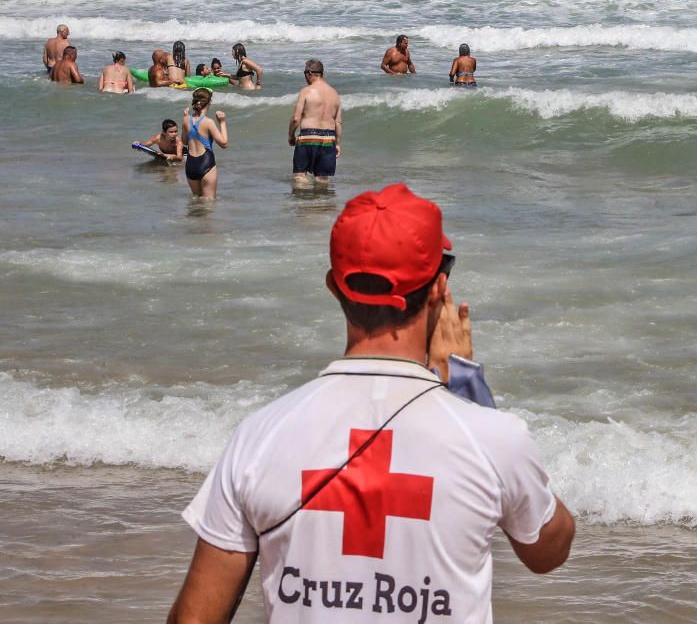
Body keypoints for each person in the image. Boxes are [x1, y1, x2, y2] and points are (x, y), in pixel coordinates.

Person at [167, 183, 575, 623]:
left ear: (332, 286)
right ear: (439, 287)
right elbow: (549, 550)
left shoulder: (260, 435)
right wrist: (470, 396)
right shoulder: (493, 438)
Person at [288, 60, 342, 191]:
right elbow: (338, 122)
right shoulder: (335, 94)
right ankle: (321, 207)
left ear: (309, 73)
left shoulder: (306, 91)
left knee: (300, 176)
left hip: (308, 137)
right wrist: (338, 144)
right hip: (329, 139)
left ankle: (304, 206)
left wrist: (291, 135)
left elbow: (296, 118)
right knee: (322, 179)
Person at [181, 88, 228, 199]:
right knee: (208, 204)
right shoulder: (209, 122)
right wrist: (222, 122)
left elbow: (184, 141)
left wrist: (185, 118)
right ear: (209, 102)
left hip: (190, 164)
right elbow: (224, 143)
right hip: (206, 162)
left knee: (196, 200)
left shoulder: (186, 119)